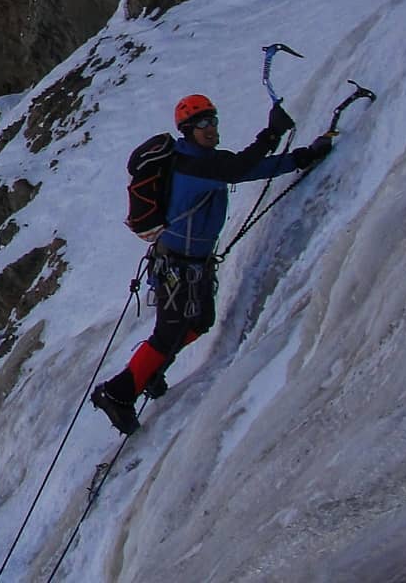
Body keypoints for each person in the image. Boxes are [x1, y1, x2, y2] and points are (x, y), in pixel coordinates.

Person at [91, 93, 333, 435]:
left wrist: (302, 157)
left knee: (200, 321)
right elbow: (237, 169)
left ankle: (150, 371)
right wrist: (270, 135)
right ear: (188, 131)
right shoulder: (193, 165)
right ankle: (116, 393)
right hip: (177, 267)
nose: (211, 128)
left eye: (213, 121)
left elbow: (244, 169)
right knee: (169, 332)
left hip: (191, 265)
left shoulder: (203, 162)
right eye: (202, 124)